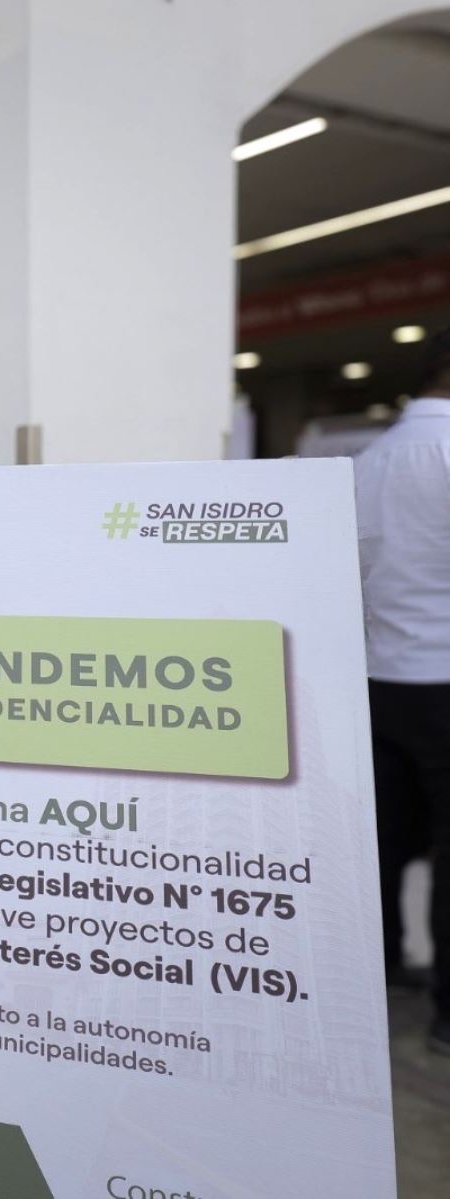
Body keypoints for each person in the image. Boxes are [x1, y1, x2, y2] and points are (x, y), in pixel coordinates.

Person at [354, 325, 450, 1056]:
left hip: (380, 678)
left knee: (386, 840)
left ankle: (381, 970)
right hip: (444, 678)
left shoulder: (368, 460)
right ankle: (448, 1010)